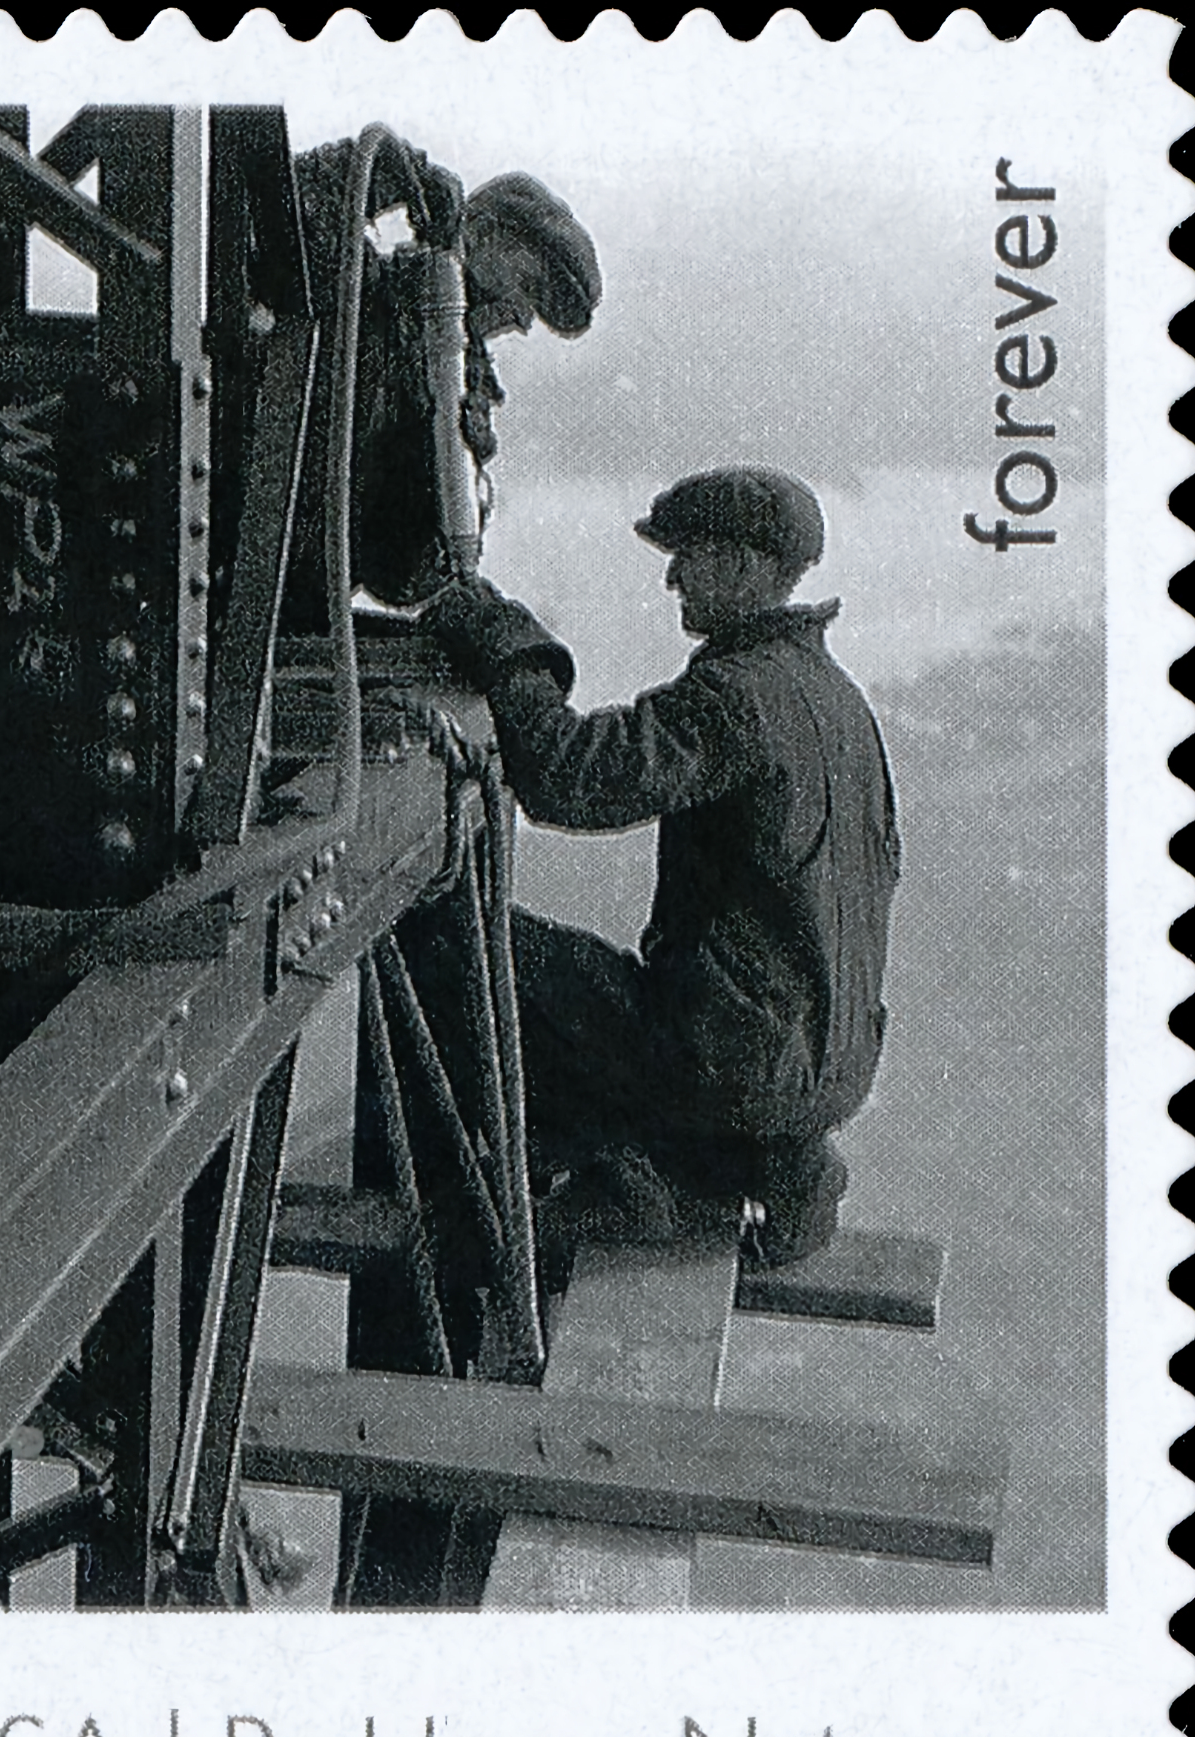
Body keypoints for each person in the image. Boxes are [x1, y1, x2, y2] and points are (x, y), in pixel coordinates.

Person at [416, 468, 902, 1266]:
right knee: (610, 1004)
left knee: (446, 939)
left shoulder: (737, 695)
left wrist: (505, 643)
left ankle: (619, 1174)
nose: (673, 576)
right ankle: (778, 1165)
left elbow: (568, 776)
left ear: (741, 565)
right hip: (823, 1075)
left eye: (690, 555)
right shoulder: (840, 700)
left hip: (735, 1066)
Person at [284, 138, 601, 617]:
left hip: (301, 601)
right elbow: (290, 205)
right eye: (528, 286)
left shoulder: (464, 389)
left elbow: (401, 579)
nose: (521, 319)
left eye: (534, 310)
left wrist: (437, 473)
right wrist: (395, 174)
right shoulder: (359, 300)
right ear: (482, 232)